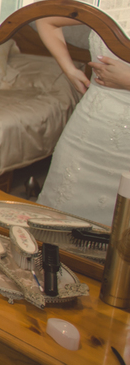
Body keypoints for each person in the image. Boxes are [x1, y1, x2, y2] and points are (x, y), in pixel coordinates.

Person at [36, 16, 130, 223]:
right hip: (85, 133)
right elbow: (46, 19)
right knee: (55, 216)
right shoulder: (107, 2)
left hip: (127, 152)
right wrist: (69, 69)